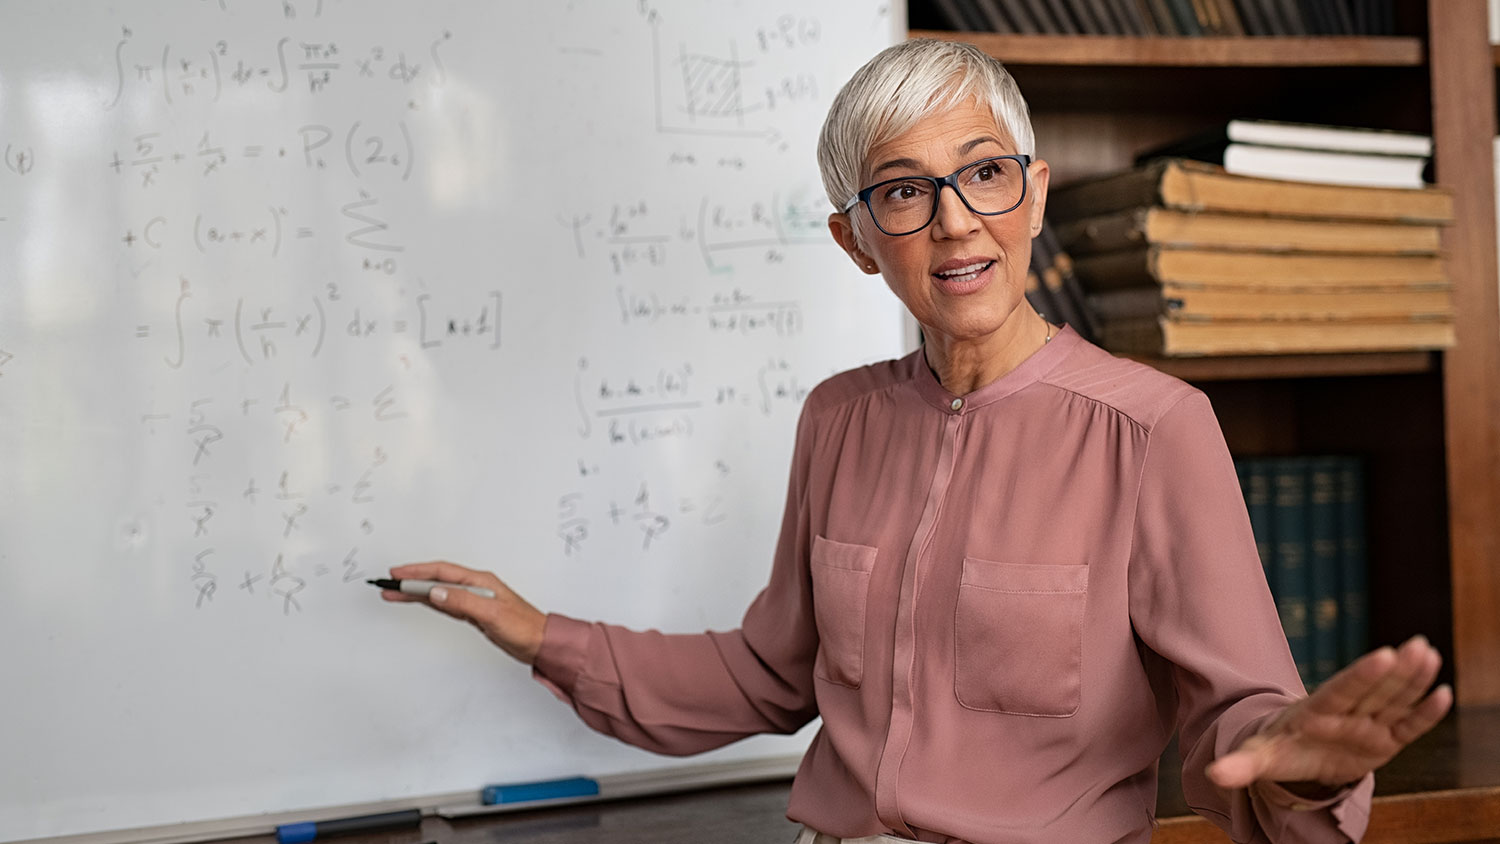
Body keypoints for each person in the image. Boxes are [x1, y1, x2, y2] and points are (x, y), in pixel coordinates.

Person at [379, 38, 1451, 844]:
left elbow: (1243, 723)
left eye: (984, 173)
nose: (953, 220)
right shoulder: (836, 418)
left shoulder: (1155, 428)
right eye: (903, 191)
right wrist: (538, 632)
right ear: (855, 241)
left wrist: (1304, 767)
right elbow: (769, 675)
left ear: (1034, 194)